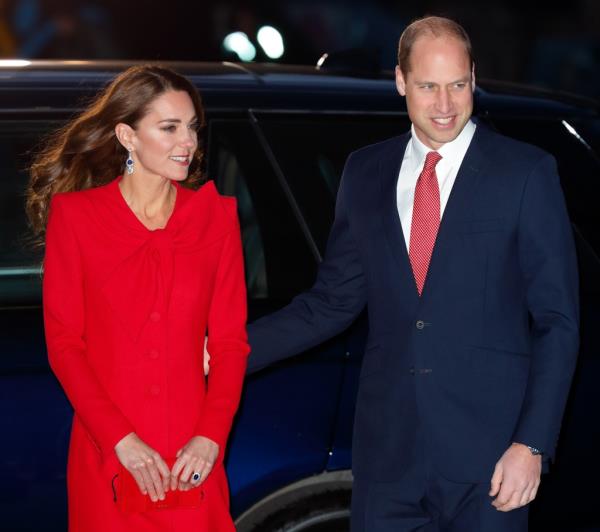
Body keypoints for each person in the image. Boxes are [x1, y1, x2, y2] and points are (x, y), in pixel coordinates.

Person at [244, 16, 579, 532]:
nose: (445, 105)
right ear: (401, 81)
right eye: (428, 86)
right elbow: (331, 303)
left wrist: (532, 444)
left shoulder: (525, 172)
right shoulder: (365, 172)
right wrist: (224, 351)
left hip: (491, 463)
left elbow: (557, 320)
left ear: (474, 77)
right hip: (389, 463)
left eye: (458, 85)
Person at [27, 65, 249, 531]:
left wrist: (211, 437)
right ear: (127, 136)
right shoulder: (77, 219)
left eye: (191, 127)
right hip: (109, 453)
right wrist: (119, 439)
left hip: (193, 457)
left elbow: (229, 344)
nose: (186, 142)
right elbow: (64, 344)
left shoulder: (215, 219)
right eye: (168, 128)